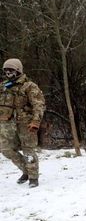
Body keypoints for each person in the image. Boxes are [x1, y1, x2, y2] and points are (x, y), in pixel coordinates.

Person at [0, 59, 45, 187]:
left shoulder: (29, 86)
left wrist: (36, 121)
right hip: (6, 123)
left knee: (28, 150)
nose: (8, 72)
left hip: (26, 123)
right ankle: (25, 170)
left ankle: (33, 177)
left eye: (11, 70)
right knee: (6, 149)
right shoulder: (3, 86)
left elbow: (39, 105)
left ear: (18, 70)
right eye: (6, 70)